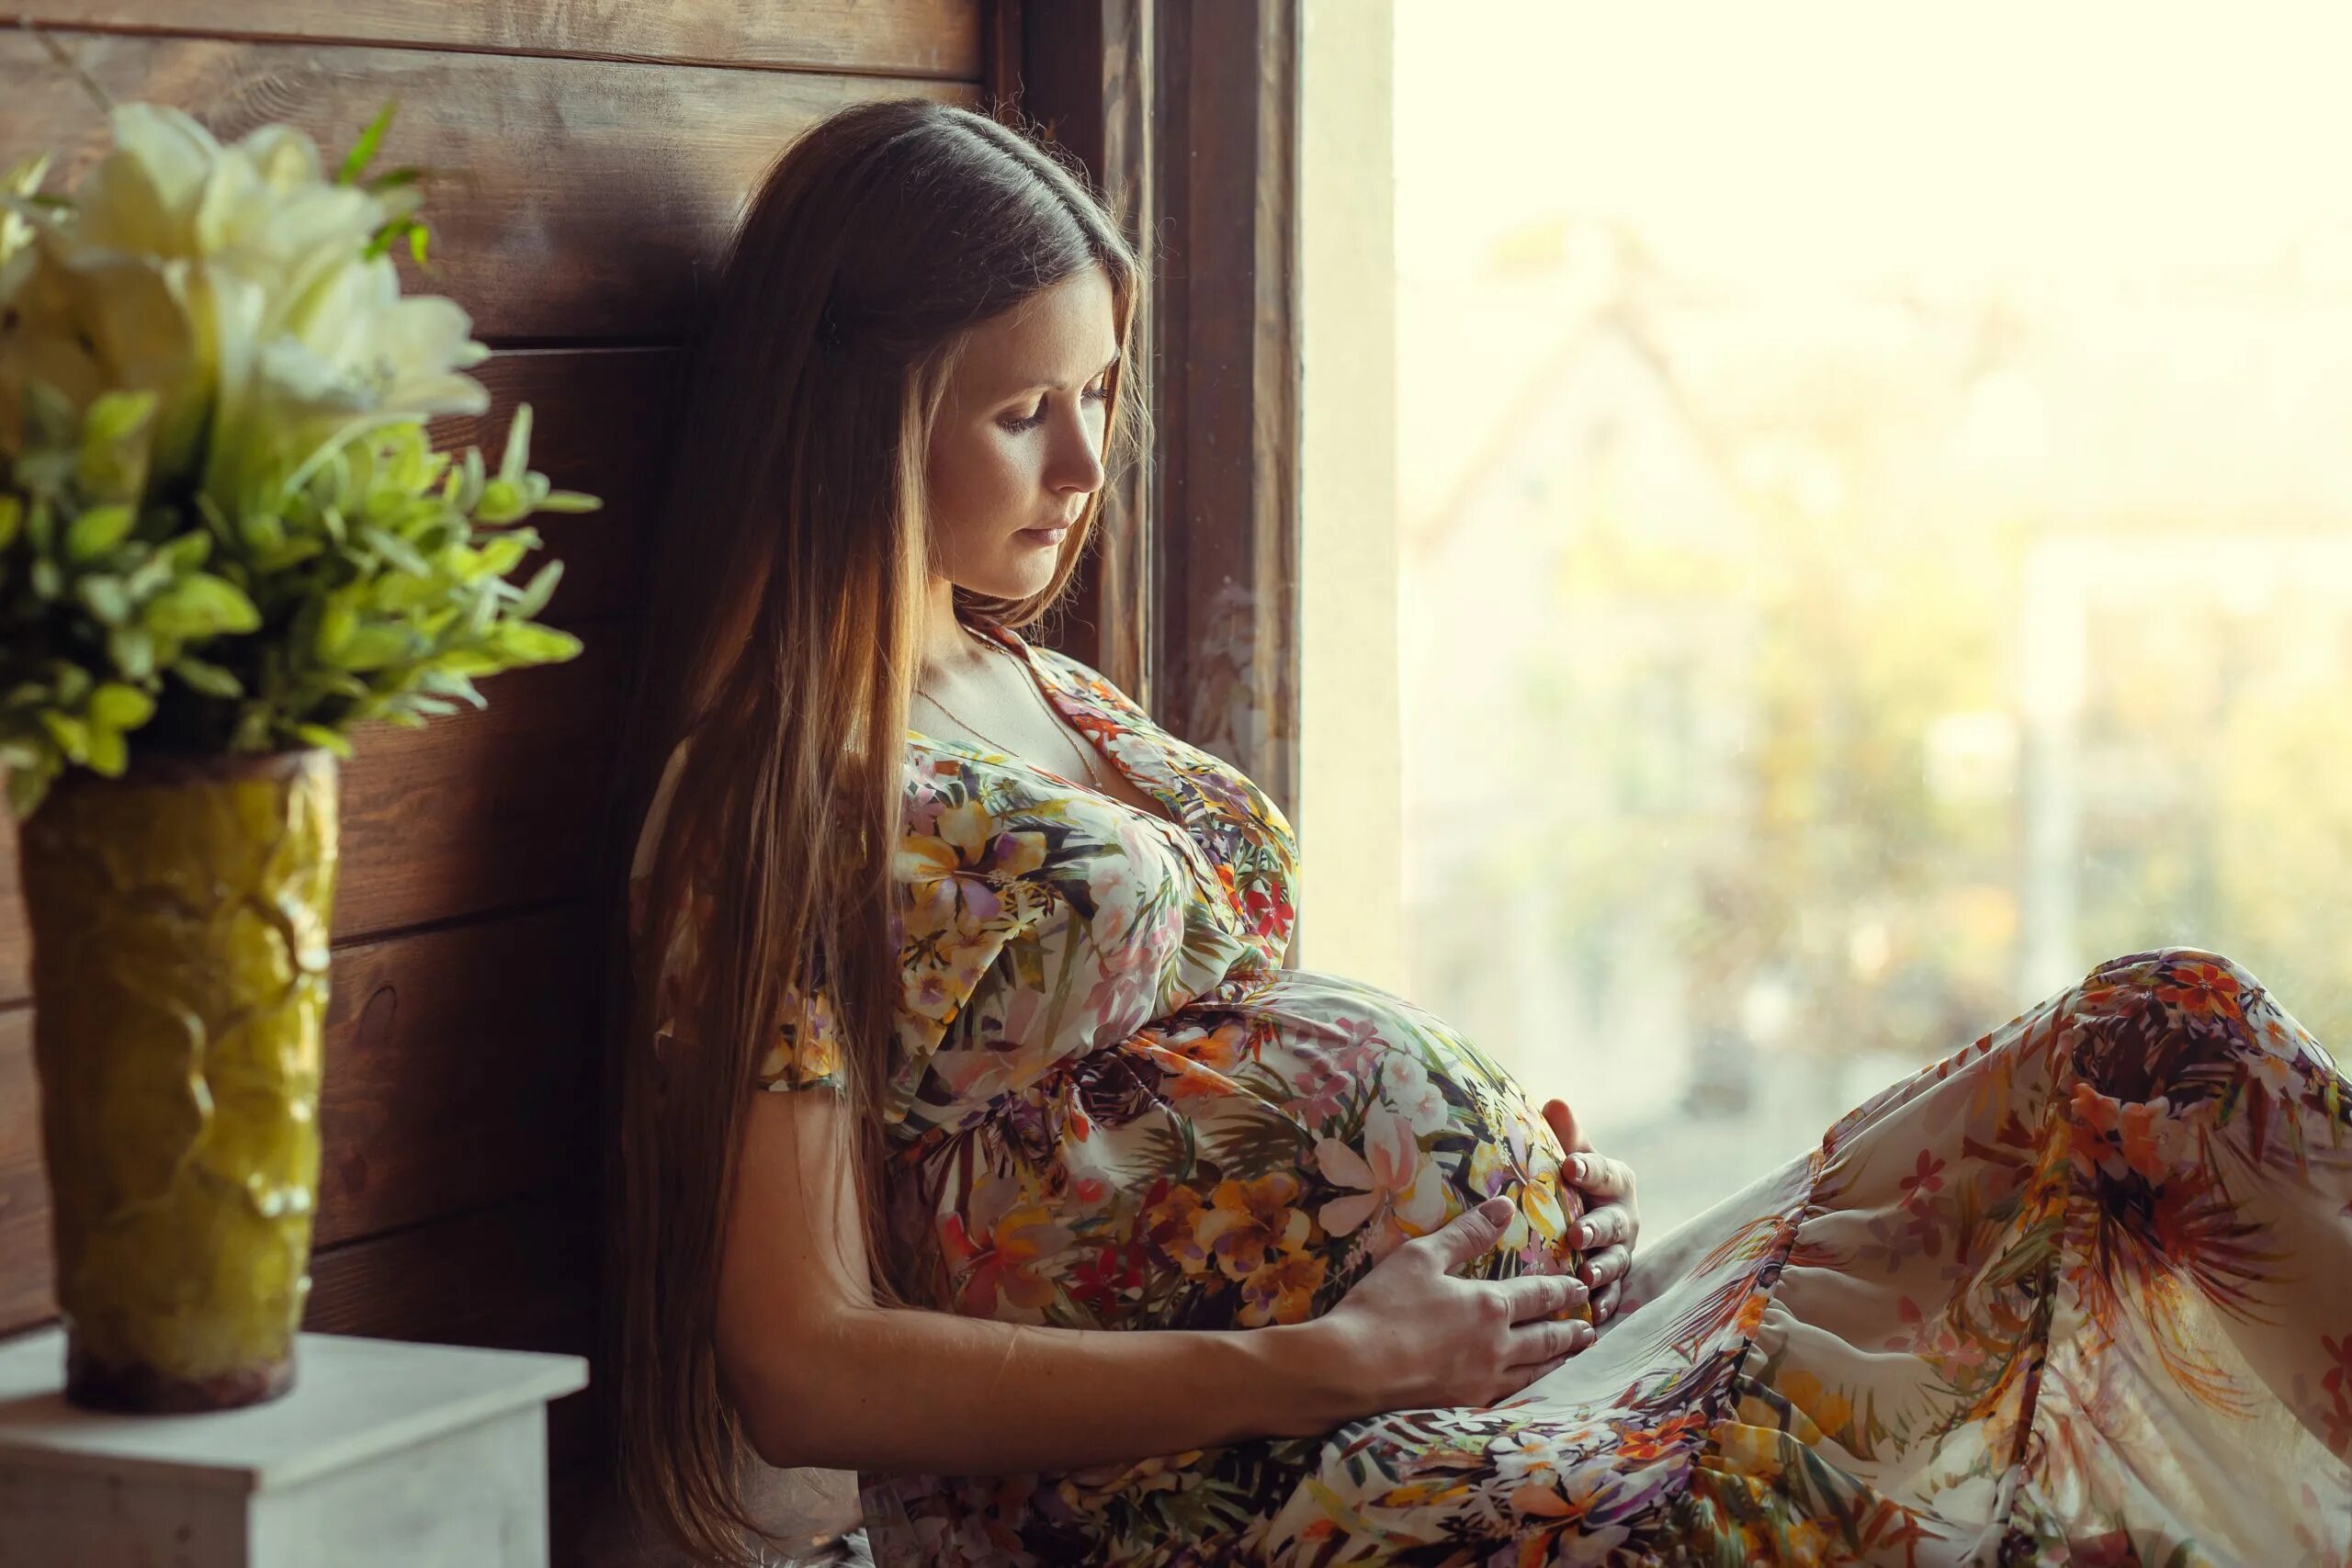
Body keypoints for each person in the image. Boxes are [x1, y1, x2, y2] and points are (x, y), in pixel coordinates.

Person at [605, 97, 2352, 1567]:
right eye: (1021, 410)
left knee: (2160, 1042)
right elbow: (801, 1363)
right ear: (860, 417)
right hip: (1250, 1486)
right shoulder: (771, 800)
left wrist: (1512, 1194)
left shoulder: (1035, 686)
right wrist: (1314, 1358)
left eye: (1105, 391)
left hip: (1466, 1379)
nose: (1087, 464)